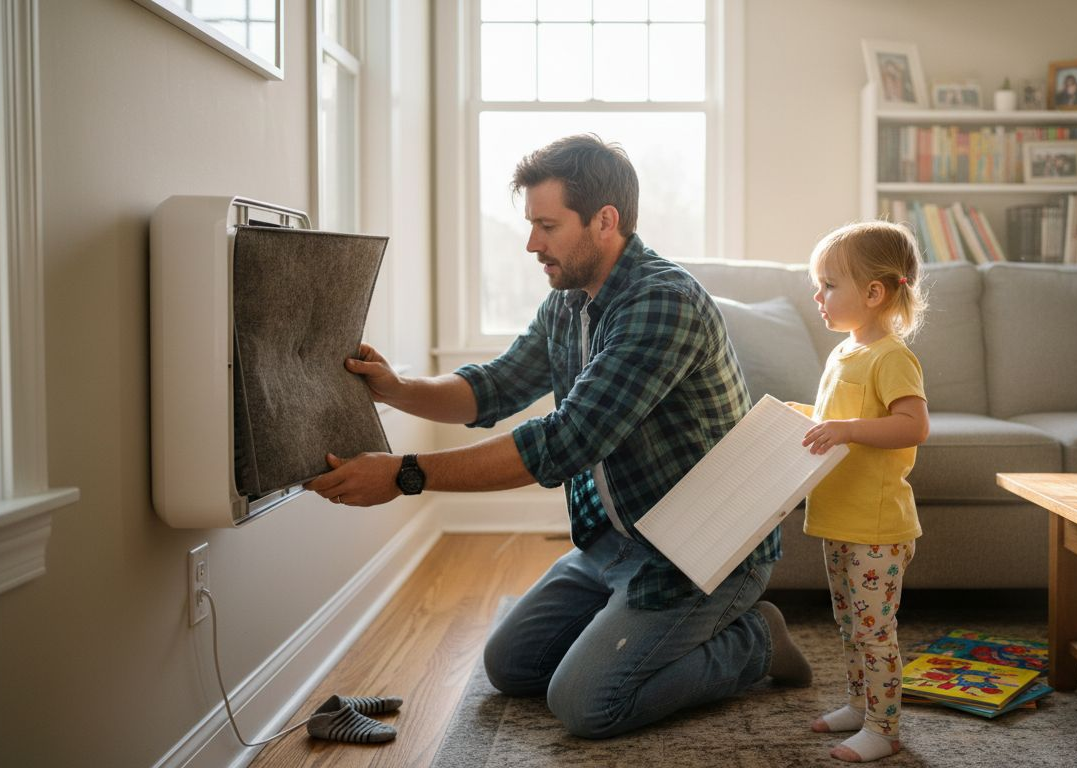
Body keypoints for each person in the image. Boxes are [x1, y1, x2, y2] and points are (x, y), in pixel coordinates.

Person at [303, 133, 812, 738]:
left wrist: (403, 475)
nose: (531, 243)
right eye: (531, 224)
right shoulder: (569, 301)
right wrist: (397, 389)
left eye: (547, 224)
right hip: (615, 543)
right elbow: (495, 386)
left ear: (605, 221)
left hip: (696, 555)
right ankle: (634, 627)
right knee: (511, 666)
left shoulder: (661, 304)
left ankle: (756, 641)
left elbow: (563, 442)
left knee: (585, 703)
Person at [791, 221, 929, 762]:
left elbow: (912, 425)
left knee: (875, 631)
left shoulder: (891, 356)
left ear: (874, 294)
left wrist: (845, 431)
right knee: (849, 626)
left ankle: (884, 727)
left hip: (877, 528)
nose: (817, 295)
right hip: (840, 520)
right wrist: (801, 420)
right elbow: (838, 419)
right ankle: (859, 705)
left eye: (828, 284)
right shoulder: (844, 353)